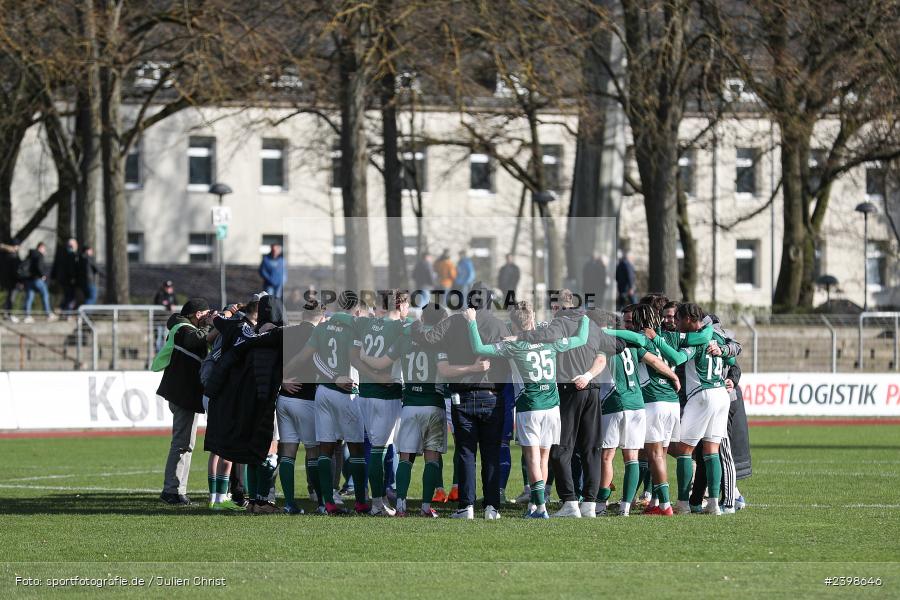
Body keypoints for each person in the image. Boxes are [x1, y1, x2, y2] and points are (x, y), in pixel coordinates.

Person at [466, 303, 591, 519]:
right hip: (552, 407)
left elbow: (478, 348)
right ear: (532, 320)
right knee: (543, 457)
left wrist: (471, 323)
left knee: (532, 457)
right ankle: (535, 504)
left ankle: (540, 508)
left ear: (513, 324)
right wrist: (585, 319)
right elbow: (581, 339)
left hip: (530, 407)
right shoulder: (552, 343)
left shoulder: (512, 347)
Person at [517, 290, 623, 518]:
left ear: (560, 308)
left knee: (559, 449)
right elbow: (619, 345)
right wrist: (597, 348)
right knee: (591, 450)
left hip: (568, 391)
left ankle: (570, 502)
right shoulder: (592, 326)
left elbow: (540, 337)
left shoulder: (559, 325)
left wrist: (519, 338)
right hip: (592, 391)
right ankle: (590, 505)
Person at [409, 283, 510, 520]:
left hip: (461, 396)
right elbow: (508, 359)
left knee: (466, 452)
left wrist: (413, 321)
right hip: (492, 396)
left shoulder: (454, 322)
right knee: (491, 453)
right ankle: (492, 507)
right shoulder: (499, 325)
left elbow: (428, 338)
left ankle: (467, 506)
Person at [364, 303, 453, 517]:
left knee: (405, 457)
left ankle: (401, 506)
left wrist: (361, 357)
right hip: (433, 404)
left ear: (422, 318)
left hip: (410, 404)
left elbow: (381, 362)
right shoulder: (441, 340)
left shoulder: (405, 339)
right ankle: (424, 507)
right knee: (431, 458)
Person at [647, 302, 735, 516]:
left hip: (702, 395)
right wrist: (722, 351)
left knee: (685, 450)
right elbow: (731, 357)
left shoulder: (694, 339)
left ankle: (683, 504)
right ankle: (714, 504)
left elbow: (677, 358)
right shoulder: (717, 336)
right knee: (711, 450)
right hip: (721, 394)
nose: (675, 323)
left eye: (678, 319)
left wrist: (657, 340)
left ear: (688, 319)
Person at [204, 295, 286, 514]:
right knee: (267, 450)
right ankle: (260, 501)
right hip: (263, 400)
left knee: (250, 450)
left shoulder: (240, 329)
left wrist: (222, 315)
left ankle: (251, 501)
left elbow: (219, 321)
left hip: (234, 399)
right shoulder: (278, 336)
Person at [598, 313, 680, 516]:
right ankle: (625, 507)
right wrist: (673, 376)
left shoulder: (602, 343)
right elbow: (654, 361)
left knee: (607, 457)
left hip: (614, 402)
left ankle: (600, 504)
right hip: (637, 404)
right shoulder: (632, 345)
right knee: (631, 458)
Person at [156, 297, 216, 505]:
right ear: (198, 315)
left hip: (183, 393)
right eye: (206, 315)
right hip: (183, 395)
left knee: (184, 443)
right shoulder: (183, 329)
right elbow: (197, 340)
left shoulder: (181, 327)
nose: (208, 318)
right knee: (182, 444)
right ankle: (172, 491)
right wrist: (212, 323)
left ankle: (176, 490)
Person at [279, 300, 327, 514]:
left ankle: (289, 503)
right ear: (322, 315)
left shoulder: (286, 332)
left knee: (288, 451)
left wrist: (281, 379)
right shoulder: (319, 335)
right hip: (306, 398)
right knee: (313, 451)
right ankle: (321, 503)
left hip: (284, 397)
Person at [23, 242, 55, 323]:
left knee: (29, 298)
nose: (44, 251)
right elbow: (39, 266)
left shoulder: (30, 255)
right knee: (45, 294)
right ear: (41, 247)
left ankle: (27, 315)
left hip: (29, 279)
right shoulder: (39, 255)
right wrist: (43, 275)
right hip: (37, 279)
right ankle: (48, 313)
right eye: (44, 249)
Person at [53, 238, 79, 312]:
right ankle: (66, 312)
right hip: (68, 280)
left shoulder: (63, 254)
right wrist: (73, 277)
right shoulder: (71, 255)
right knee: (70, 297)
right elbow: (71, 269)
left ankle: (62, 310)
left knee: (67, 296)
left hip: (63, 279)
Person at [0, 239, 23, 321]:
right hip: (12, 280)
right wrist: (20, 280)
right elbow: (15, 270)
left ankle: (7, 313)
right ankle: (8, 314)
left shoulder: (4, 255)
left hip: (6, 279)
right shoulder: (13, 256)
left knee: (9, 297)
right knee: (11, 298)